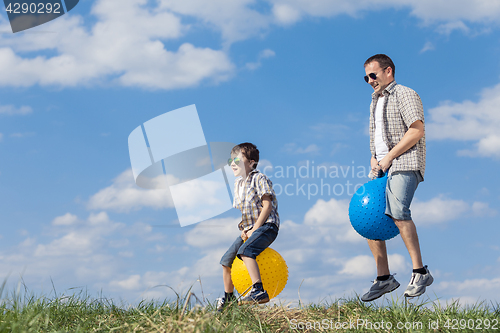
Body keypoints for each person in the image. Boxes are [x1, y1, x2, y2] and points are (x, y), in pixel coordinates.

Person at [360, 54, 433, 302]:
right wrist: (374, 157)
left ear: (388, 71)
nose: (370, 80)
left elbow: (416, 130)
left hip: (404, 162)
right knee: (368, 218)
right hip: (380, 166)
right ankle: (384, 278)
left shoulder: (405, 94)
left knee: (398, 211)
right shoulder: (374, 101)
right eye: (366, 77)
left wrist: (389, 156)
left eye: (373, 75)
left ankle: (419, 271)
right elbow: (379, 135)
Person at [216, 142, 280, 311]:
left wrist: (254, 229)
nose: (232, 163)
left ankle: (258, 290)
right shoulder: (238, 185)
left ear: (251, 162)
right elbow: (245, 213)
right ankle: (229, 300)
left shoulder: (260, 178)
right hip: (250, 228)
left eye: (237, 159)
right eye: (231, 160)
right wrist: (245, 230)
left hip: (267, 226)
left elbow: (267, 207)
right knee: (226, 261)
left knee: (245, 251)